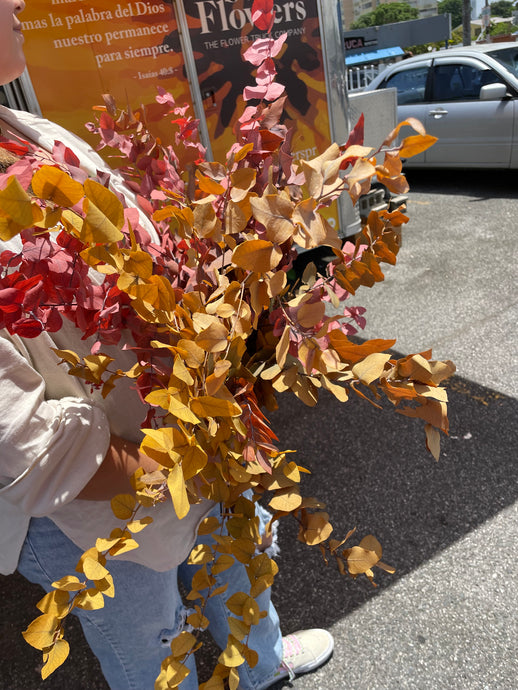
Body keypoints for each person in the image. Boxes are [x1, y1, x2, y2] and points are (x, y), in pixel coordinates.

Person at [0, 1, 334, 687]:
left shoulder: (25, 133)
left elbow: (147, 271)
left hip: (191, 440)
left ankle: (263, 670)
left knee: (241, 569)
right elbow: (26, 450)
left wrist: (251, 300)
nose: (19, 4)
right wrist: (183, 465)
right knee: (150, 645)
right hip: (95, 505)